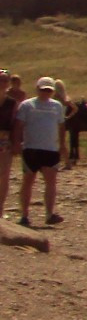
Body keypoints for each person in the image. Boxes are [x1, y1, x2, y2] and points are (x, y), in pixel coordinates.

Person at [13, 78, 67, 227]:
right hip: (31, 148)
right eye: (43, 89)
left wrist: (62, 144)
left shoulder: (57, 106)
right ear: (37, 89)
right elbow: (19, 125)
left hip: (50, 148)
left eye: (49, 90)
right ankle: (24, 215)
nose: (46, 92)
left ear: (53, 91)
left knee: (51, 182)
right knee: (28, 181)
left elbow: (61, 126)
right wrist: (17, 142)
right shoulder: (27, 105)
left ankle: (50, 214)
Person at [0, 73, 22, 219]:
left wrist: (16, 143)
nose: (2, 83)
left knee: (3, 176)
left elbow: (15, 124)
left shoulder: (12, 103)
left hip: (4, 141)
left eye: (5, 80)